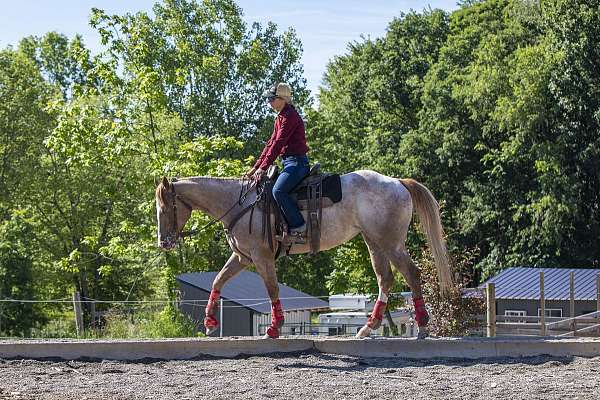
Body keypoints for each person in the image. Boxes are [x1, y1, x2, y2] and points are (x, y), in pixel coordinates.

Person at [245, 83, 310, 243]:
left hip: (297, 163)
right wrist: (256, 167)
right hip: (288, 162)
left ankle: (299, 227)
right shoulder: (280, 117)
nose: (269, 102)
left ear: (283, 99)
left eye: (272, 99)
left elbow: (278, 143)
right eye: (268, 99)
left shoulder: (290, 116)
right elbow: (270, 143)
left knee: (278, 191)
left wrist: (263, 168)